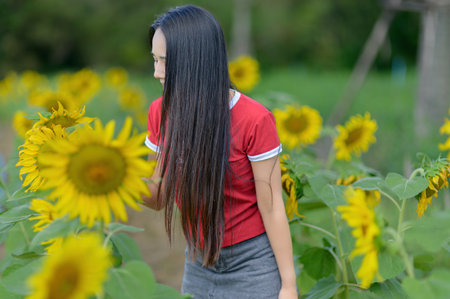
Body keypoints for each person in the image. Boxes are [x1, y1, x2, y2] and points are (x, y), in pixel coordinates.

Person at [142, 5, 297, 299]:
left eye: (164, 62)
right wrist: (112, 178)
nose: (156, 72)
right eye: (154, 60)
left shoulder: (254, 119)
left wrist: (288, 286)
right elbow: (157, 195)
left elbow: (273, 205)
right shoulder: (160, 113)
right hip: (199, 261)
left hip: (252, 264)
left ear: (195, 61)